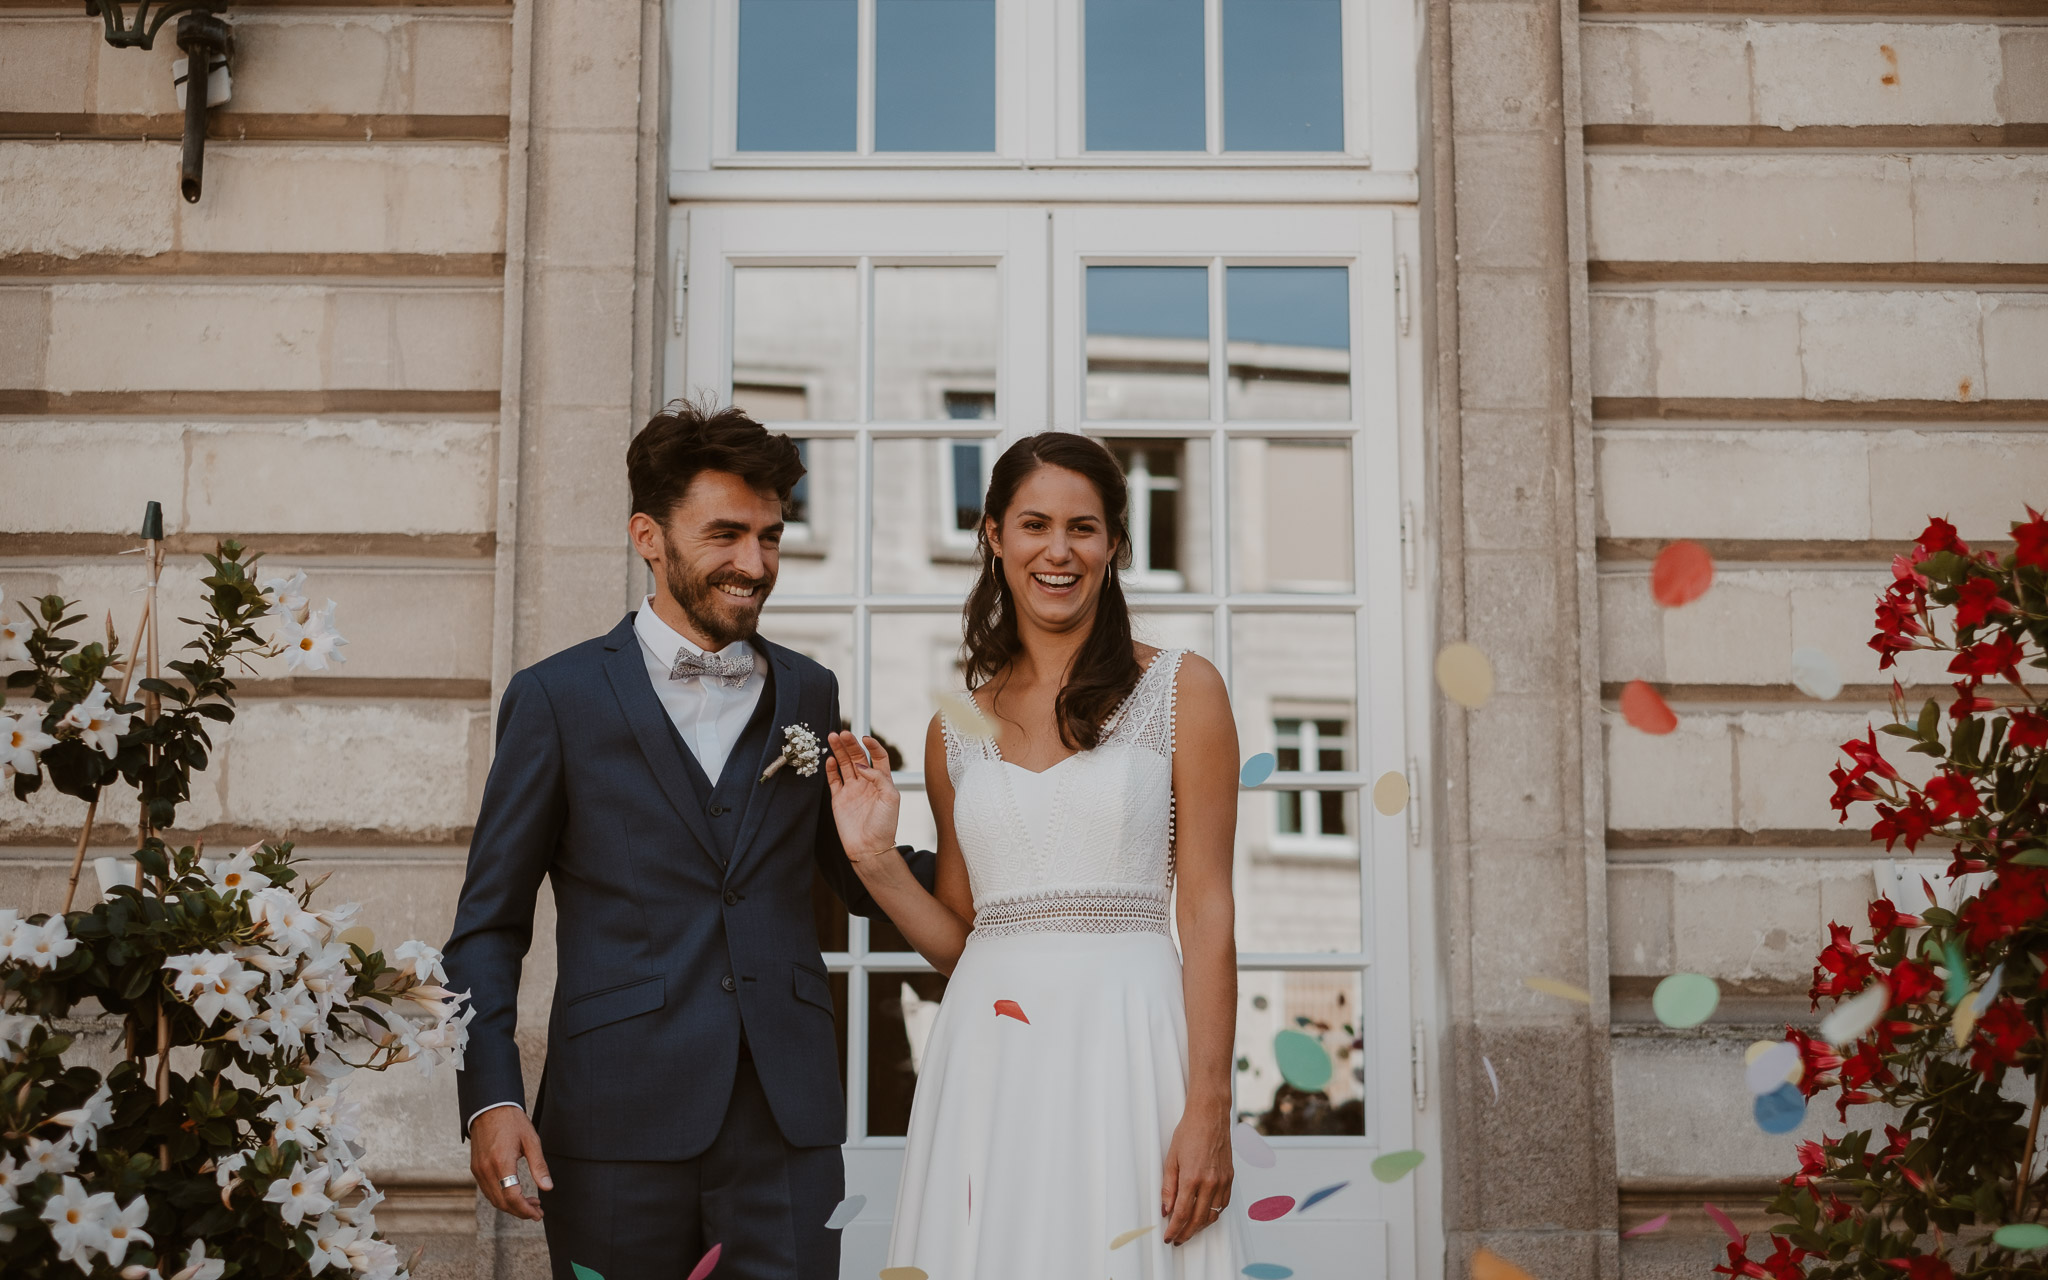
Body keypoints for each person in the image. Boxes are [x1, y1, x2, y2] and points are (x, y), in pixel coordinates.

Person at [442, 400, 934, 1280]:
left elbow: (857, 879)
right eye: (727, 535)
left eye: (772, 536)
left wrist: (1021, 883)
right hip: (615, 1119)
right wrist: (492, 1094)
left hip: (787, 1127)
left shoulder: (810, 694)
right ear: (648, 537)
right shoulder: (557, 699)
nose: (755, 564)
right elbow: (489, 922)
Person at [821, 431, 1244, 1278]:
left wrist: (1208, 1105)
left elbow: (1205, 911)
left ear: (1116, 544)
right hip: (990, 1057)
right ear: (993, 536)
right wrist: (873, 862)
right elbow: (961, 939)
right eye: (1035, 524)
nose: (1059, 551)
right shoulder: (955, 728)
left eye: (1083, 528)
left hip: (1132, 1042)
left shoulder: (1183, 689)